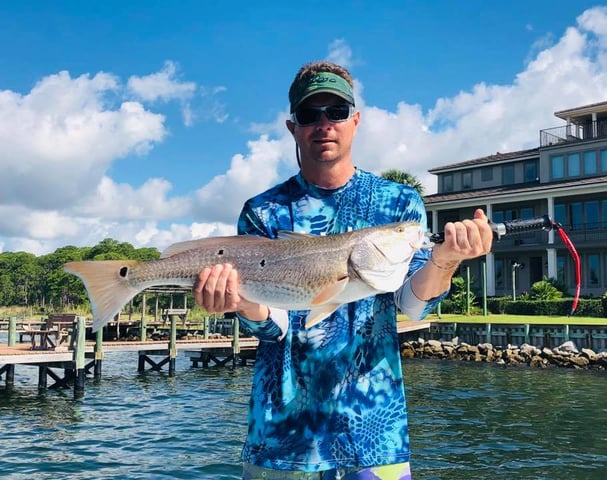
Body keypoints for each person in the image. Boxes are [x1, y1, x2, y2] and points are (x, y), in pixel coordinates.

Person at [194, 61, 493, 480]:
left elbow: (412, 307)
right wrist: (242, 303)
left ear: (355, 120)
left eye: (335, 112)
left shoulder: (399, 205)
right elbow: (274, 327)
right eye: (309, 114)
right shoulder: (263, 212)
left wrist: (446, 261)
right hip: (282, 435)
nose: (323, 124)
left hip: (375, 432)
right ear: (292, 126)